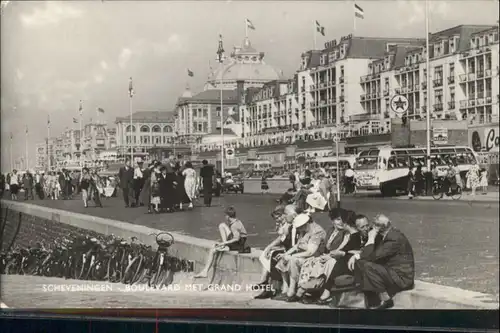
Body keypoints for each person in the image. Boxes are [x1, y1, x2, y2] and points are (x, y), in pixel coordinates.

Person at [349, 214, 415, 309]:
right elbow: (370, 254)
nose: (370, 228)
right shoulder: (390, 234)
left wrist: (371, 238)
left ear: (377, 227)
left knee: (368, 266)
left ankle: (386, 299)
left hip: (402, 278)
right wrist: (357, 256)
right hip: (393, 272)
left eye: (373, 226)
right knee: (362, 263)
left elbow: (373, 257)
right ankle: (370, 297)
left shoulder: (393, 239)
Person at [274, 213, 326, 302]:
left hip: (315, 257)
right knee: (284, 259)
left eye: (299, 227)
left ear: (305, 224)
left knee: (293, 260)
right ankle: (286, 290)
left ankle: (292, 291)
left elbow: (310, 252)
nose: (298, 229)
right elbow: (297, 246)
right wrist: (286, 254)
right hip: (304, 255)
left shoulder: (317, 232)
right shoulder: (305, 230)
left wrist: (292, 256)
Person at [255, 205, 299, 299]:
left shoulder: (291, 226)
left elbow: (285, 240)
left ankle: (270, 286)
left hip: (289, 250)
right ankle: (266, 284)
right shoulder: (288, 225)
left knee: (273, 256)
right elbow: (283, 239)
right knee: (269, 255)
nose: (278, 219)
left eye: (280, 216)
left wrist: (272, 248)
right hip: (287, 249)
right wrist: (269, 247)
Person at [194, 206, 248, 278]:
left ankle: (205, 271)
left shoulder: (234, 226)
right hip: (241, 241)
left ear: (228, 216)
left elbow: (236, 238)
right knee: (222, 225)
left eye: (226, 215)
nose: (225, 217)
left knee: (213, 249)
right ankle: (224, 245)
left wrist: (224, 243)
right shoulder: (237, 221)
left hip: (238, 245)